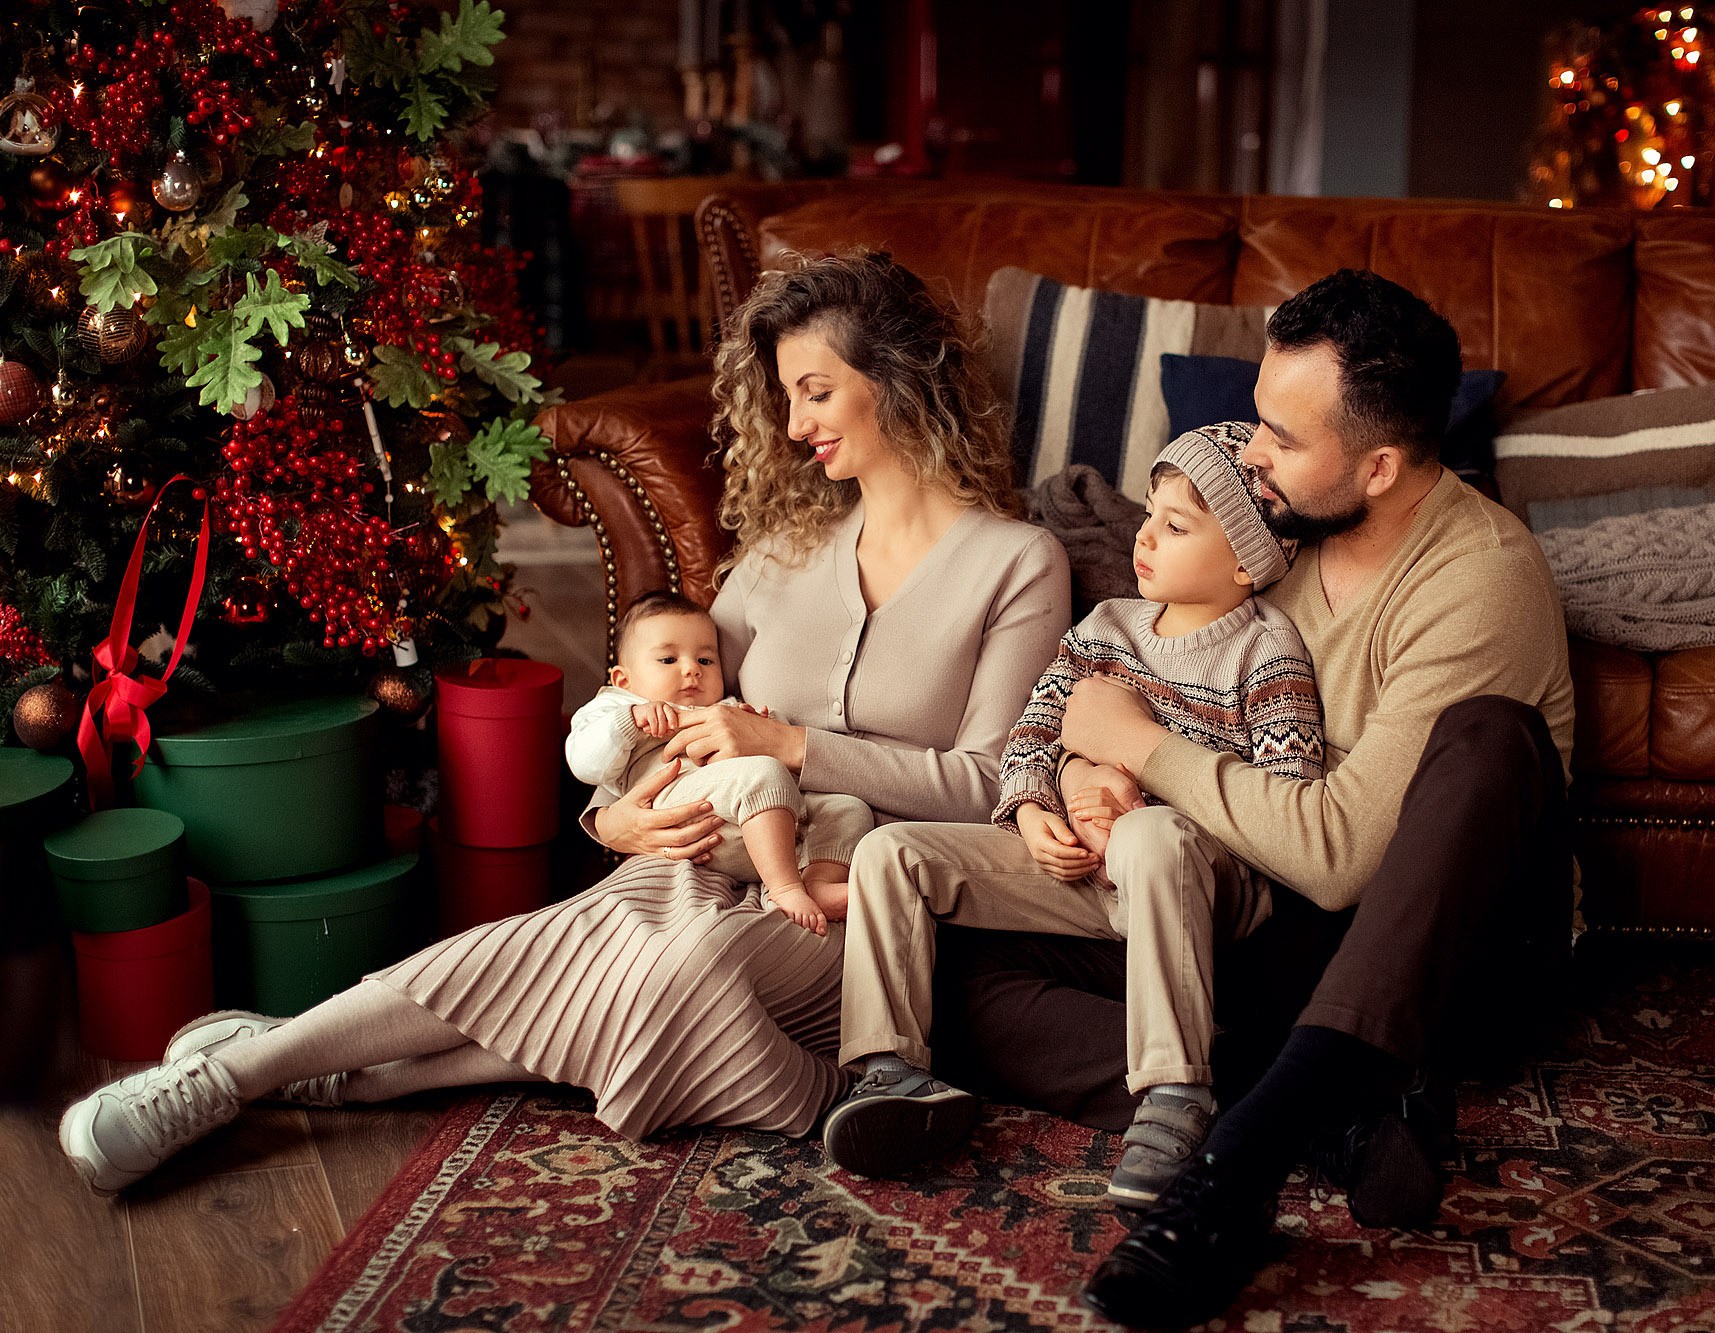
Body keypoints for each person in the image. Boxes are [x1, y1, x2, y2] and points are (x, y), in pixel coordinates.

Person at [56, 249, 1070, 1195]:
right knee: (574, 938)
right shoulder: (783, 549)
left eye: (814, 391)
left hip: (844, 893)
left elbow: (992, 784)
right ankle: (247, 1076)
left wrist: (793, 745)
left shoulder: (1017, 563)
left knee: (683, 970)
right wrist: (613, 822)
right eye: (785, 397)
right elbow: (648, 709)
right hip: (689, 849)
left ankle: (301, 1066)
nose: (797, 423)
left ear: (896, 376)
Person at [1054, 270, 1577, 1329]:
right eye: (1256, 418)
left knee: (1489, 737)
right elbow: (1155, 684)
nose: (1250, 452)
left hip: (1452, 957)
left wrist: (1141, 745)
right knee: (958, 968)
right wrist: (1084, 770)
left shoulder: (1479, 574)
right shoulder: (1276, 547)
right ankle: (1339, 1108)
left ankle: (1230, 1172)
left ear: (1377, 465)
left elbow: (1342, 857)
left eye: (1281, 439)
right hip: (1290, 932)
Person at [824, 421, 1325, 1209]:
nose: (1145, 537)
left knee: (1153, 835)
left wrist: (1140, 792)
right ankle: (891, 1070)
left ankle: (1172, 1092)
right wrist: (1033, 810)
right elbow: (1029, 732)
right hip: (1081, 872)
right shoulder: (1107, 628)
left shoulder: (1268, 653)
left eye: (1175, 525)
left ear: (1244, 560)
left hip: (1200, 880)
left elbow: (1284, 804)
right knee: (890, 852)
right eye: (1150, 515)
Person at [567, 589, 875, 935]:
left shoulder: (725, 705)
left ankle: (816, 880)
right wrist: (630, 718)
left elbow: (781, 754)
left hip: (765, 827)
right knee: (763, 774)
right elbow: (584, 763)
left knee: (847, 808)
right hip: (687, 809)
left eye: (705, 660)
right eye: (669, 660)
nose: (691, 671)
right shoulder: (616, 709)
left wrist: (760, 726)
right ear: (624, 680)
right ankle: (784, 889)